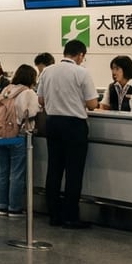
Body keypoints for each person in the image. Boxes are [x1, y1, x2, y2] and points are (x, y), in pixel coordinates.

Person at [36, 39, 98, 228]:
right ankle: (71, 216)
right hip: (74, 126)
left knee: (54, 170)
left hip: (53, 123)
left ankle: (54, 215)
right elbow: (92, 104)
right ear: (80, 55)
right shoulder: (81, 72)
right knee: (73, 172)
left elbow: (40, 100)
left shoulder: (48, 71)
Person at [0, 65, 41, 217]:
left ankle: (1, 205)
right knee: (17, 172)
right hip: (18, 135)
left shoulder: (7, 89)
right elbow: (32, 112)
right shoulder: (28, 92)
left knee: (2, 171)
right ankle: (14, 207)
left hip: (1, 134)